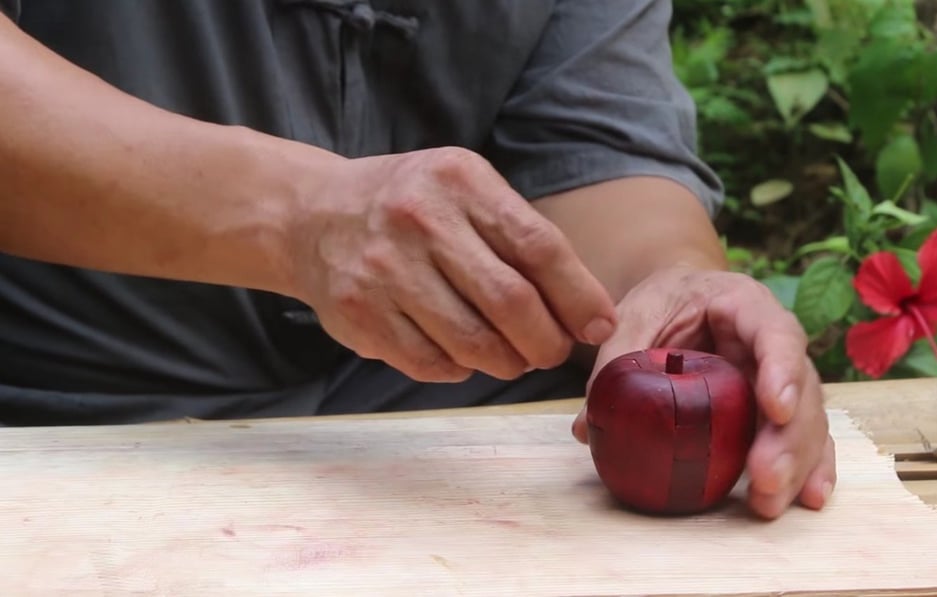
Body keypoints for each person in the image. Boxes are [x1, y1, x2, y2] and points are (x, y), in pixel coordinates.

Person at [0, 0, 834, 519]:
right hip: (63, 414)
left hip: (432, 444)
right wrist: (296, 217)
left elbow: (599, 150)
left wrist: (672, 283)